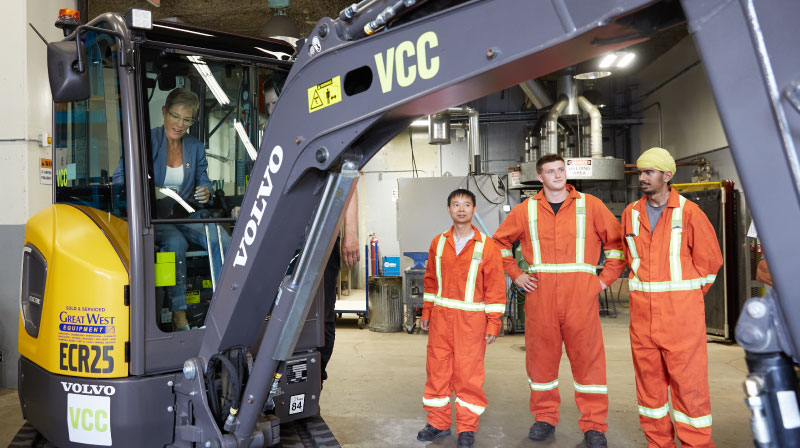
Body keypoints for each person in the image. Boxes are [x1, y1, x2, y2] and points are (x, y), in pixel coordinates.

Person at [493, 153, 625, 448]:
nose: (557, 175)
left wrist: (603, 281)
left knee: (589, 363)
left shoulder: (590, 205)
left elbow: (616, 244)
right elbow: (499, 244)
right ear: (539, 177)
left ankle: (594, 426)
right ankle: (544, 417)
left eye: (561, 170)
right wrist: (516, 274)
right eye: (550, 171)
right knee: (541, 362)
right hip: (540, 296)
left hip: (581, 296)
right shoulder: (526, 210)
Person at [622, 147, 722, 447]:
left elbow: (710, 262)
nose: (642, 178)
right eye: (640, 172)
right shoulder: (631, 213)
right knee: (650, 391)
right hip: (643, 321)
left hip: (682, 320)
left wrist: (685, 297)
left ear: (667, 176)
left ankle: (696, 444)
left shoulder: (689, 212)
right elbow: (631, 260)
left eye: (649, 172)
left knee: (688, 388)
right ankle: (658, 443)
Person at [114, 88, 230, 331]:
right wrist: (146, 190)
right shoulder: (145, 140)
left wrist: (205, 191)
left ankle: (224, 308)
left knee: (221, 238)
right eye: (176, 116)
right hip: (156, 217)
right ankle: (179, 314)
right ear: (164, 112)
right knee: (176, 245)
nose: (180, 124)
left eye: (187, 120)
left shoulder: (195, 147)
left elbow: (203, 179)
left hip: (186, 214)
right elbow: (120, 178)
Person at [417, 189, 506, 448]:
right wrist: (427, 311)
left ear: (474, 209)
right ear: (448, 210)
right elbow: (431, 280)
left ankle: (467, 427)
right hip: (441, 321)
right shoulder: (438, 243)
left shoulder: (487, 246)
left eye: (466, 204)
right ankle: (438, 423)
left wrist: (494, 321)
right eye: (456, 205)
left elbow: (495, 288)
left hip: (471, 322)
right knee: (437, 372)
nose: (461, 209)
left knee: (468, 375)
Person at [319, 189, 359, 384]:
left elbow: (351, 180)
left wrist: (350, 234)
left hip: (323, 235)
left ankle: (315, 380)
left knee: (322, 312)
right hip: (286, 236)